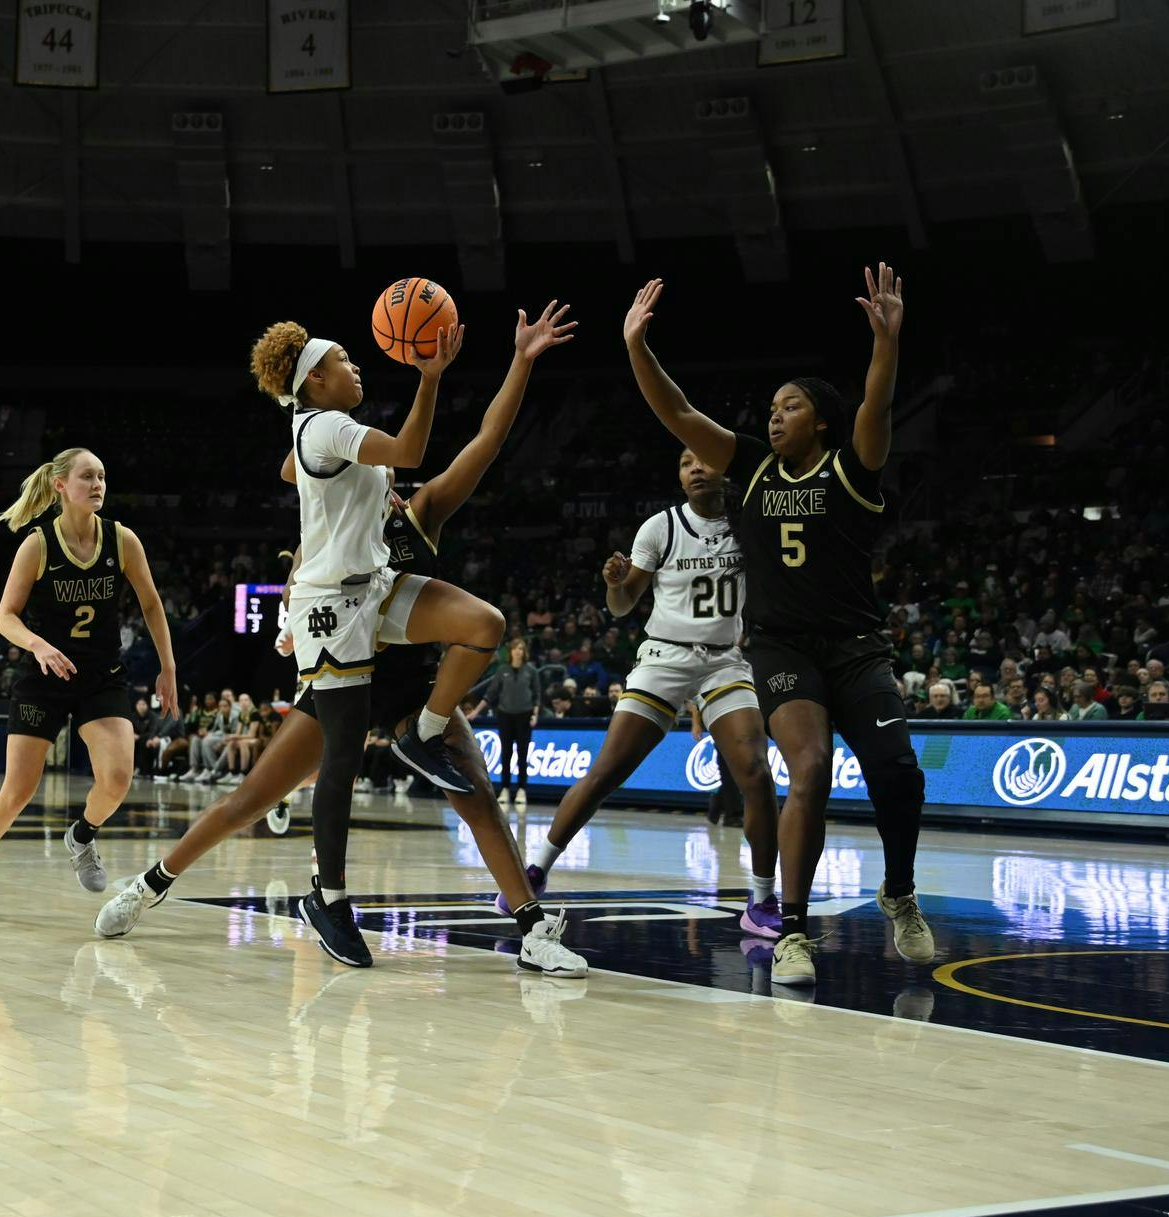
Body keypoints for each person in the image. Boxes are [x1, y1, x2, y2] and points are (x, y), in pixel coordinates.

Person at [96, 300, 585, 979]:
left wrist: (520, 362)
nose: (380, 486)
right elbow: (301, 467)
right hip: (336, 670)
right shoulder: (334, 502)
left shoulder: (417, 517)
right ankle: (151, 882)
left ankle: (531, 925)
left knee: (476, 793)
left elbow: (486, 442)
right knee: (250, 798)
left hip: (408, 687)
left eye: (382, 482)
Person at [623, 265, 932, 987]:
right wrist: (638, 347)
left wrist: (886, 342)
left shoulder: (854, 467)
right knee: (811, 767)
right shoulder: (753, 466)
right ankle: (793, 930)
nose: (774, 416)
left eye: (789, 407)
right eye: (770, 407)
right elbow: (679, 413)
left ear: (820, 419)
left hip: (856, 644)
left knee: (898, 773)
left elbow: (878, 408)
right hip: (782, 645)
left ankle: (900, 891)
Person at [524, 447, 782, 938]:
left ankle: (763, 898)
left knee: (757, 773)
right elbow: (622, 607)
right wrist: (615, 585)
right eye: (685, 462)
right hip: (665, 656)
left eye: (704, 460)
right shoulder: (660, 528)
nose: (696, 468)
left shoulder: (748, 524)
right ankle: (535, 870)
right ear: (679, 476)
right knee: (607, 771)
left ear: (725, 469)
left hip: (724, 659)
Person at [0, 448, 179, 919]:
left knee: (116, 779)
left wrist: (168, 667)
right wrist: (38, 645)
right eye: (87, 476)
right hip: (45, 678)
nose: (98, 484)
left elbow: (152, 605)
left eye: (102, 476)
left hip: (101, 677)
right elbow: (4, 617)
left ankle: (83, 836)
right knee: (18, 792)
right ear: (61, 486)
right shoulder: (38, 544)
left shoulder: (122, 540)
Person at [470, 640, 540, 805]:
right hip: (505, 715)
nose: (518, 652)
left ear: (525, 652)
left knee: (523, 754)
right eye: (515, 648)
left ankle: (522, 789)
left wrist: (535, 714)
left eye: (521, 649)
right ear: (510, 652)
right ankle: (505, 789)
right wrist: (475, 712)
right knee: (506, 754)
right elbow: (491, 694)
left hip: (525, 715)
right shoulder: (502, 670)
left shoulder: (531, 671)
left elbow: (537, 694)